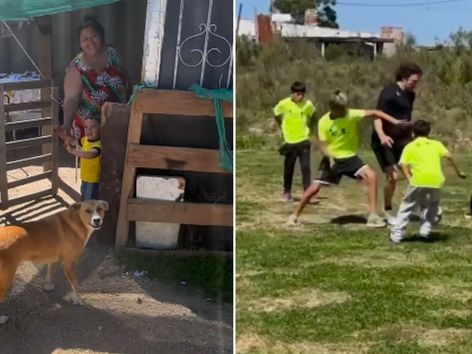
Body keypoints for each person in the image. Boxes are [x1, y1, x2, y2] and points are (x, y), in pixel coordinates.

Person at [287, 90, 408, 228]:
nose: (345, 110)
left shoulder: (350, 114)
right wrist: (330, 158)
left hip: (350, 158)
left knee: (372, 176)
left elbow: (375, 112)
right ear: (333, 108)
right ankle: (294, 216)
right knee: (314, 188)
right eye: (341, 109)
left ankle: (372, 216)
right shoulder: (324, 122)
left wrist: (395, 121)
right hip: (333, 159)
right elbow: (323, 145)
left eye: (345, 107)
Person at [389, 120, 466, 243]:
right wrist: (458, 172)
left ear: (413, 133)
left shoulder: (410, 146)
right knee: (433, 205)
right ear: (429, 132)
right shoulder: (436, 144)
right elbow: (449, 156)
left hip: (418, 180)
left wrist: (409, 177)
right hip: (436, 180)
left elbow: (403, 164)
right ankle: (425, 229)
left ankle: (397, 234)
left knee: (407, 206)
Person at [56, 17, 128, 141]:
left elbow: (127, 79)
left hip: (117, 125)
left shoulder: (113, 54)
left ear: (101, 36)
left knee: (117, 158)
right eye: (84, 39)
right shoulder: (77, 67)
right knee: (92, 159)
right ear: (79, 44)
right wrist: (66, 124)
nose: (90, 42)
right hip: (90, 131)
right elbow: (71, 99)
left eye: (93, 36)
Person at [371, 63, 422, 218]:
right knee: (393, 176)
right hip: (385, 140)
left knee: (415, 170)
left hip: (402, 139)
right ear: (404, 78)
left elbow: (406, 117)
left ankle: (420, 206)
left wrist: (411, 135)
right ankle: (387, 209)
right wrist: (382, 136)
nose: (415, 85)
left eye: (417, 82)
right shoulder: (389, 93)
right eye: (413, 81)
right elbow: (377, 116)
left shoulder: (410, 94)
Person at [273, 81, 316, 202]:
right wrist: (281, 124)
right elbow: (276, 113)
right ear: (292, 93)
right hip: (290, 141)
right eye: (297, 93)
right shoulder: (284, 104)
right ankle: (286, 192)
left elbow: (314, 115)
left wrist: (311, 129)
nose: (300, 96)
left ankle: (308, 194)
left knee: (306, 168)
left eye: (302, 93)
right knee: (289, 168)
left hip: (304, 140)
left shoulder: (307, 104)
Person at [64, 117, 102, 201]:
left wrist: (72, 150)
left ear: (101, 128)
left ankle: (90, 215)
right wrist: (62, 134)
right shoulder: (85, 140)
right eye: (86, 127)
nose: (89, 130)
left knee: (89, 204)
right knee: (85, 201)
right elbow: (74, 141)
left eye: (93, 127)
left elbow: (90, 155)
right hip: (85, 178)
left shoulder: (98, 144)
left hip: (93, 180)